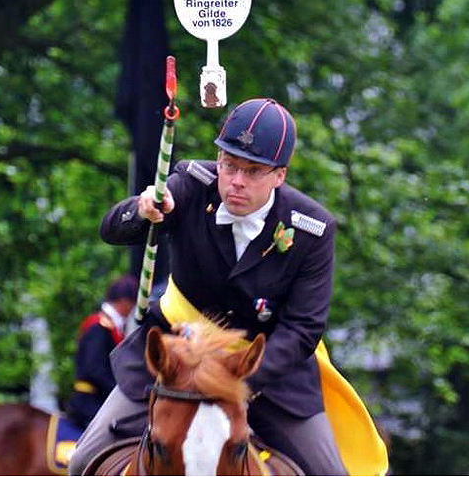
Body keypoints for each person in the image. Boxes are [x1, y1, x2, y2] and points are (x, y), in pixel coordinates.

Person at [69, 98, 385, 475]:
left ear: (279, 175)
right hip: (172, 360)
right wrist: (142, 210)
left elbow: (303, 330)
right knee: (82, 462)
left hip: (264, 374)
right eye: (229, 164)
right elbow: (113, 230)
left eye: (252, 171)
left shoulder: (312, 229)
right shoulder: (189, 184)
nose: (235, 181)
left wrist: (235, 374)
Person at [64, 274, 138, 430]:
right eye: (132, 303)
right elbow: (94, 369)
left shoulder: (111, 327)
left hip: (99, 398)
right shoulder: (99, 327)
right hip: (89, 400)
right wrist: (120, 392)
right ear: (124, 302)